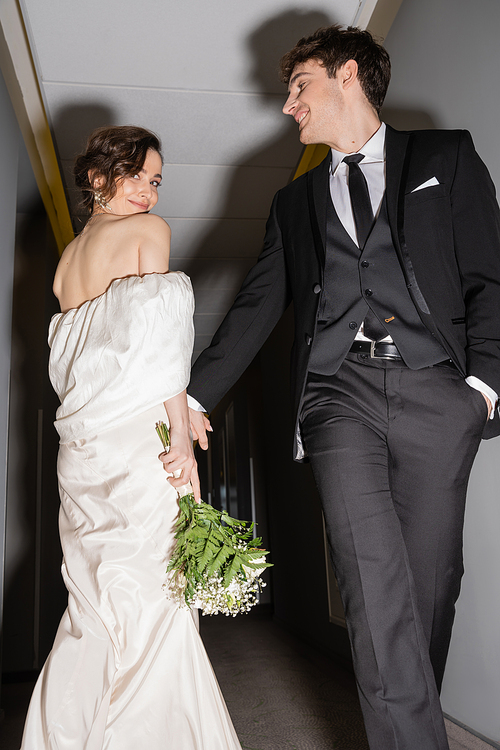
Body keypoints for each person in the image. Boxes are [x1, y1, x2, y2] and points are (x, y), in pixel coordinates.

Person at [186, 25, 500, 750]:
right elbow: (257, 306)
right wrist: (196, 397)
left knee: (428, 585)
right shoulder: (292, 205)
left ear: (347, 73)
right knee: (370, 583)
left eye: (300, 86)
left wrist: (481, 388)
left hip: (437, 390)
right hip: (337, 395)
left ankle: (408, 717)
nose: (289, 104)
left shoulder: (444, 158)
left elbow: (489, 277)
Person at [21, 125, 241, 750]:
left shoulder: (66, 266)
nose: (148, 191)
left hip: (84, 453)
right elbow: (163, 345)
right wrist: (180, 432)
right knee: (154, 589)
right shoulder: (151, 233)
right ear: (97, 178)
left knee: (93, 598)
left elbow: (79, 363)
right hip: (138, 443)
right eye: (136, 175)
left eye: (155, 180)